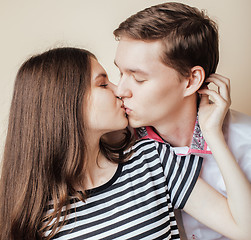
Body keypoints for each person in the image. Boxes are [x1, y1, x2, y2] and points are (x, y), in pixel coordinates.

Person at [0, 47, 250, 240]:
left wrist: (211, 133)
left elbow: (244, 228)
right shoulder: (33, 210)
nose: (119, 90)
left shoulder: (150, 158)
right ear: (66, 105)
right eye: (102, 84)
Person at [113, 2, 251, 240]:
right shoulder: (116, 144)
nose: (120, 90)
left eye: (138, 78)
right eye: (120, 73)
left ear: (191, 80)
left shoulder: (246, 141)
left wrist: (213, 136)